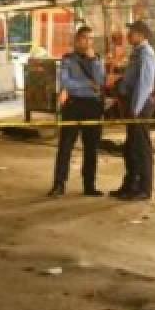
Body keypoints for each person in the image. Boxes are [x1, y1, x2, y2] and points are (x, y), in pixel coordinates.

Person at [49, 25, 106, 197]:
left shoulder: (97, 59)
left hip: (92, 107)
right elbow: (67, 83)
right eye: (84, 38)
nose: (88, 42)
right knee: (65, 146)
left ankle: (89, 185)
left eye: (90, 39)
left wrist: (94, 62)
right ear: (77, 40)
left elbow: (101, 81)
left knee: (91, 147)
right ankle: (59, 184)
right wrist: (88, 85)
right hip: (73, 106)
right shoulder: (68, 59)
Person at [110, 20, 155, 201]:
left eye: (132, 32)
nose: (128, 34)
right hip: (133, 104)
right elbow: (132, 78)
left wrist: (135, 109)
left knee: (141, 148)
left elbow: (145, 84)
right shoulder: (136, 53)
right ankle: (130, 185)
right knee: (130, 147)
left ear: (142, 35)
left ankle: (144, 189)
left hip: (140, 105)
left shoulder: (146, 54)